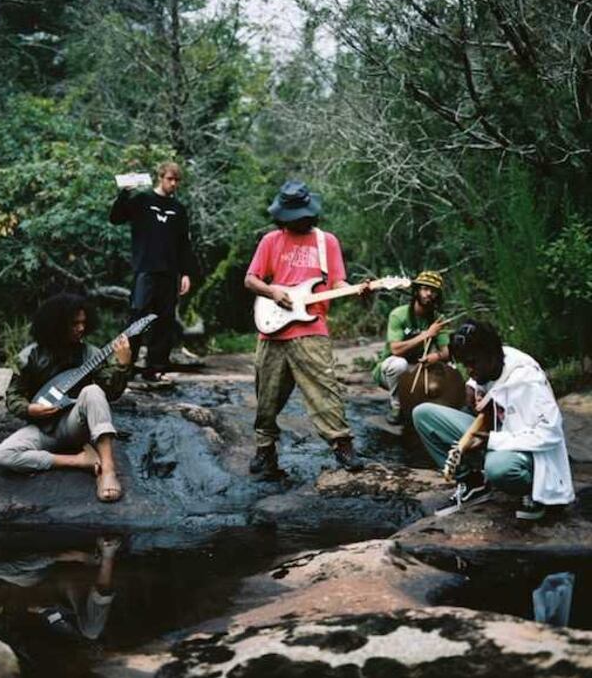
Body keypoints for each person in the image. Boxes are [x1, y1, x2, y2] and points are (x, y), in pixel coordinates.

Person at [244, 179, 367, 478]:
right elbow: (251, 279)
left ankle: (341, 444)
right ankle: (265, 448)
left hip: (312, 327)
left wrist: (350, 290)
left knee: (324, 387)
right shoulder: (271, 241)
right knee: (267, 393)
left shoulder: (327, 242)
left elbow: (337, 282)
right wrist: (273, 292)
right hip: (273, 329)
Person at [412, 319, 575, 519]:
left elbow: (551, 434)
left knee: (498, 467)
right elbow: (485, 377)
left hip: (529, 452)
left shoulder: (528, 380)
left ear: (491, 355)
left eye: (472, 364)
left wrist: (491, 441)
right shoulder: (492, 360)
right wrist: (472, 385)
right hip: (497, 436)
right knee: (424, 414)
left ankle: (536, 494)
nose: (469, 370)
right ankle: (473, 483)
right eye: (465, 365)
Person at [0, 293, 130, 502]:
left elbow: (111, 393)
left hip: (74, 424)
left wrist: (121, 366)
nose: (81, 328)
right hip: (42, 428)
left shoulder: (90, 353)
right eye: (74, 324)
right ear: (56, 325)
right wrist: (29, 409)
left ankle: (108, 470)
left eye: (84, 323)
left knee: (93, 392)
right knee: (3, 455)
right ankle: (80, 461)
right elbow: (14, 395)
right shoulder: (31, 355)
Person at [109, 161, 193, 381]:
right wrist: (124, 194)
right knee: (138, 317)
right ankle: (126, 366)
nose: (173, 183)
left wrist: (185, 273)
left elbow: (184, 243)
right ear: (160, 177)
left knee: (165, 320)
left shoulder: (179, 209)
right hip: (145, 270)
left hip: (169, 272)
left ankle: (155, 369)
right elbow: (116, 218)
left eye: (176, 180)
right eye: (169, 179)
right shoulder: (143, 200)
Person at [372, 270, 450, 423]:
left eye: (433, 291)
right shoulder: (399, 314)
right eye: (425, 289)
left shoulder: (438, 319)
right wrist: (427, 335)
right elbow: (396, 349)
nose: (429, 294)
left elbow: (447, 352)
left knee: (448, 368)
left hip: (419, 367)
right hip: (390, 369)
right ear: (417, 291)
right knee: (399, 364)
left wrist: (436, 356)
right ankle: (397, 407)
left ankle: (434, 410)